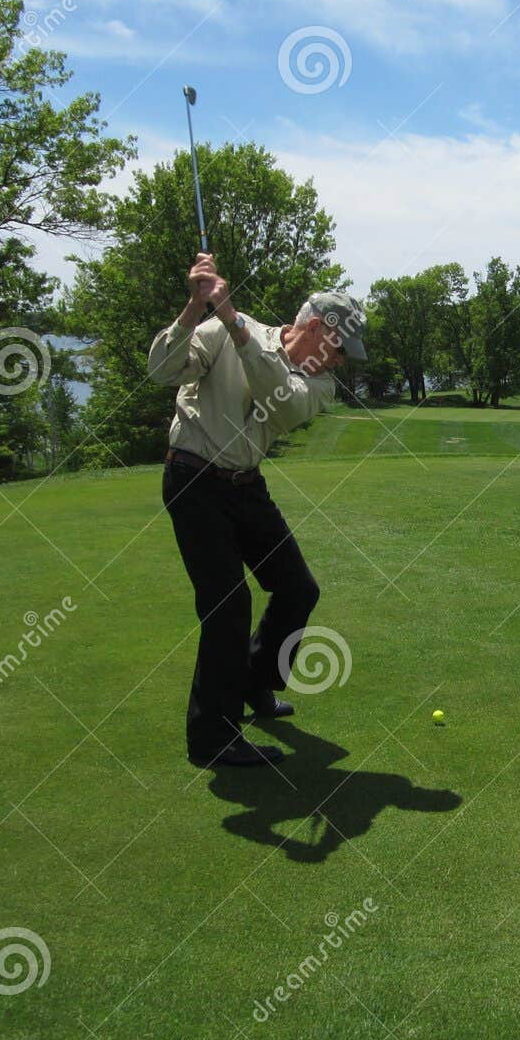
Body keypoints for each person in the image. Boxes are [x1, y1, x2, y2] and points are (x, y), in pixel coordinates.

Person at [148, 253, 367, 767]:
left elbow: (280, 399)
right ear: (314, 328)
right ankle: (212, 738)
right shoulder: (219, 331)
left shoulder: (317, 384)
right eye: (338, 348)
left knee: (298, 588)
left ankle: (255, 684)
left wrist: (234, 322)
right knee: (226, 605)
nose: (340, 362)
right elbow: (161, 370)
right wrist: (194, 308)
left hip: (246, 485)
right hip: (193, 480)